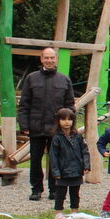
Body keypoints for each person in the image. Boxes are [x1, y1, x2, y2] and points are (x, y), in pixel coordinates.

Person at [17, 47, 74, 201]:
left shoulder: (64, 80)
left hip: (57, 128)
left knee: (56, 160)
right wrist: (24, 126)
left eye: (52, 58)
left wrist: (68, 125)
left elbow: (70, 105)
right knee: (35, 160)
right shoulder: (31, 78)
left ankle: (54, 190)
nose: (49, 60)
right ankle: (36, 189)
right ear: (41, 59)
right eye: (46, 58)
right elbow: (24, 104)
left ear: (56, 59)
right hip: (36, 127)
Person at [48, 108, 88, 219]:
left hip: (76, 170)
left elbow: (85, 151)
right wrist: (55, 171)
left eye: (69, 119)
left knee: (75, 193)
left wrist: (86, 165)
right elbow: (53, 156)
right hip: (62, 171)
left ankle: (74, 212)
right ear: (58, 121)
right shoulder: (56, 138)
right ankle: (58, 213)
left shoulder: (78, 136)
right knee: (60, 193)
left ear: (73, 121)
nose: (67, 122)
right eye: (63, 119)